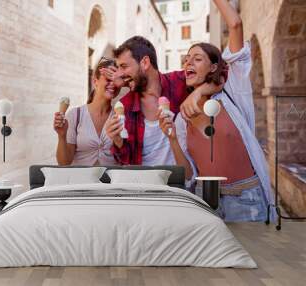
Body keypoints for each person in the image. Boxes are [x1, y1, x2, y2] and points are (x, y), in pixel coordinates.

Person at [158, 0, 274, 222]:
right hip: (205, 201)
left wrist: (200, 90)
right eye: (187, 59)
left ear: (213, 67)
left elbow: (236, 25)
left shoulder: (233, 92)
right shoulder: (182, 118)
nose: (188, 62)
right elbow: (190, 174)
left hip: (245, 201)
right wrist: (172, 138)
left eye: (197, 58)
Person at [103, 36, 222, 172]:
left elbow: (221, 73)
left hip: (182, 182)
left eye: (124, 66)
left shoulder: (179, 82)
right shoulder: (125, 105)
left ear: (145, 63)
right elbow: (127, 161)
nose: (119, 74)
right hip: (146, 186)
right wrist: (118, 141)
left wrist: (198, 92)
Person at [53, 57, 119, 166]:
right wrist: (62, 136)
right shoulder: (75, 115)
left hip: (111, 182)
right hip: (81, 181)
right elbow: (64, 162)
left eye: (116, 80)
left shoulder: (120, 117)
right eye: (108, 79)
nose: (112, 84)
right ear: (95, 81)